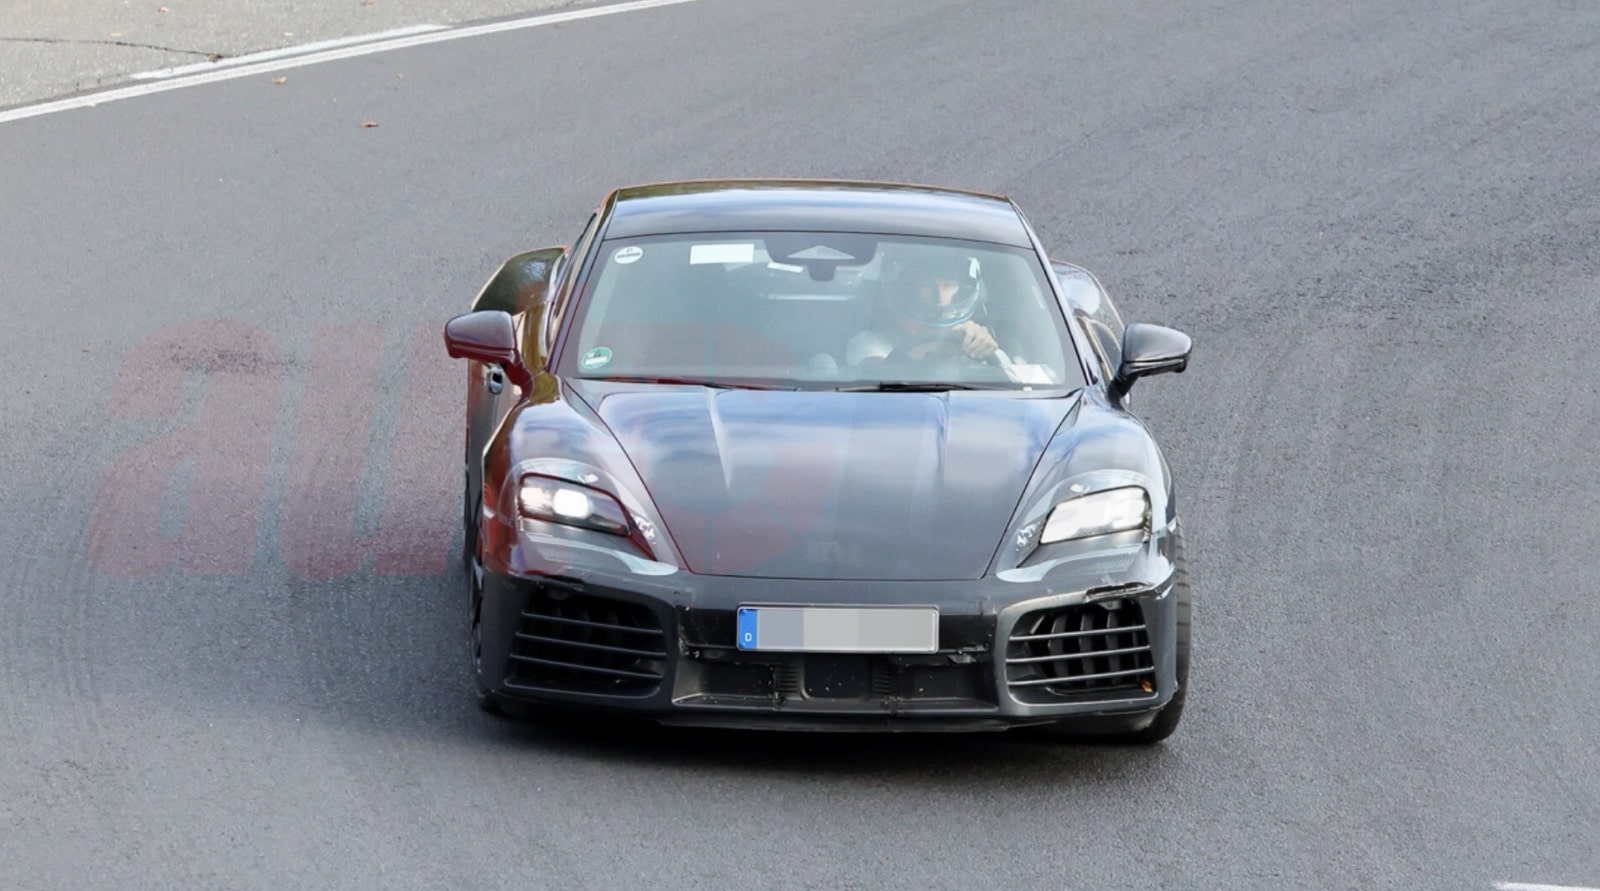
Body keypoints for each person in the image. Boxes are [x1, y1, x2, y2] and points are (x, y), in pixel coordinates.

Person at [845, 245, 1000, 366]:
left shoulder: (969, 338)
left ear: (960, 288)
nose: (940, 297)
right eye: (927, 285)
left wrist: (983, 346)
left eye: (948, 285)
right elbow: (879, 377)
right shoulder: (869, 342)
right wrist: (942, 349)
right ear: (907, 289)